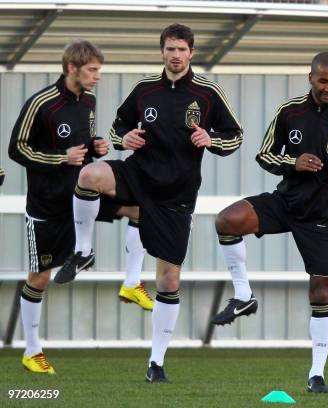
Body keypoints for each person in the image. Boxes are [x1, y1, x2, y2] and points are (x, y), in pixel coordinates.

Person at [54, 24, 243, 383]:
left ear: (191, 53)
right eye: (170, 49)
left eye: (182, 50)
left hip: (177, 196)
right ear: (162, 51)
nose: (175, 55)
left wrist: (212, 139)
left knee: (169, 282)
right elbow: (115, 129)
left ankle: (156, 363)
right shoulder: (144, 90)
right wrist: (125, 139)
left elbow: (236, 135)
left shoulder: (207, 94)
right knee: (89, 176)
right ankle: (82, 252)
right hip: (138, 178)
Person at [213, 52, 328, 393]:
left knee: (320, 292)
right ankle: (243, 295)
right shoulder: (289, 111)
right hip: (287, 202)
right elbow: (264, 154)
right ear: (311, 78)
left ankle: (316, 374)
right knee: (227, 220)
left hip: (325, 217)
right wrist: (294, 162)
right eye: (324, 81)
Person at [8, 40, 108, 374]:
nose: (97, 76)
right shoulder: (41, 104)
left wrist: (97, 147)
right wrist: (59, 158)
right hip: (45, 207)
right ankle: (31, 351)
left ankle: (86, 253)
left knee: (137, 206)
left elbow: (84, 146)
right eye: (92, 70)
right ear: (71, 68)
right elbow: (16, 149)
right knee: (40, 277)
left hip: (77, 201)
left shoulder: (89, 101)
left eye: (98, 70)